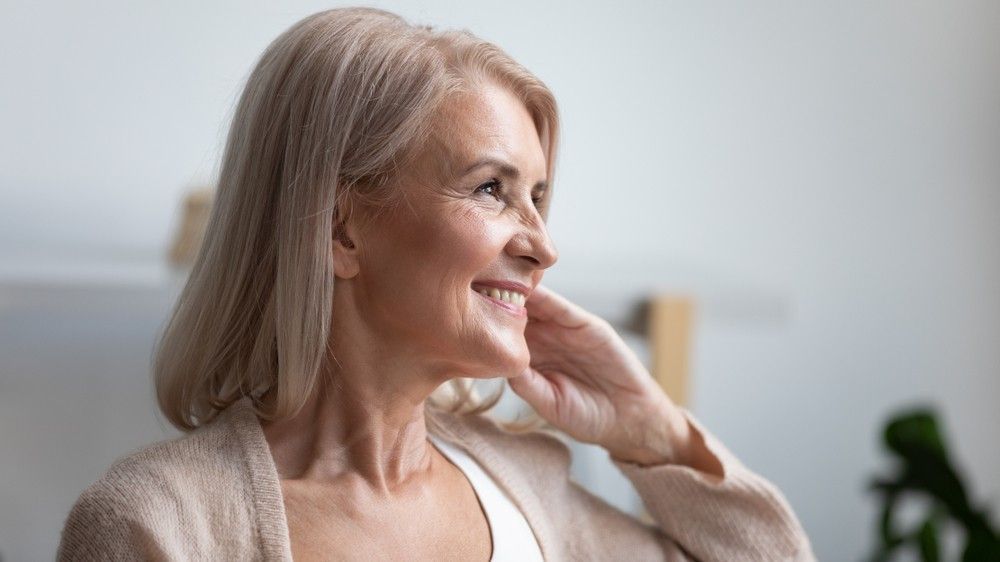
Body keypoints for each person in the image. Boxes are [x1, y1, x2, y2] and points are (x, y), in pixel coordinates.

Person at [57, 7, 816, 561]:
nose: (542, 245)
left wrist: (652, 433)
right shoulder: (156, 526)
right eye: (491, 189)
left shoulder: (527, 486)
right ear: (339, 229)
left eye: (539, 197)